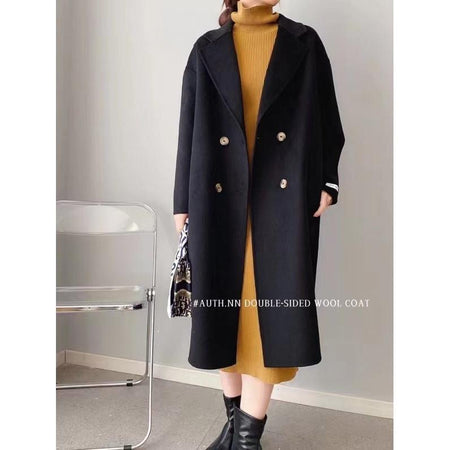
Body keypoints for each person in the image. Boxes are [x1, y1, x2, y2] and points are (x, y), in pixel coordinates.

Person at [173, 1, 345, 448]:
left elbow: (328, 118)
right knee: (221, 315)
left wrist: (328, 181)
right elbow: (188, 126)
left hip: (283, 199)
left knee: (269, 316)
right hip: (217, 197)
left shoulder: (304, 43)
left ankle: (246, 441)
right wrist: (181, 202)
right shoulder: (206, 48)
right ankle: (236, 432)